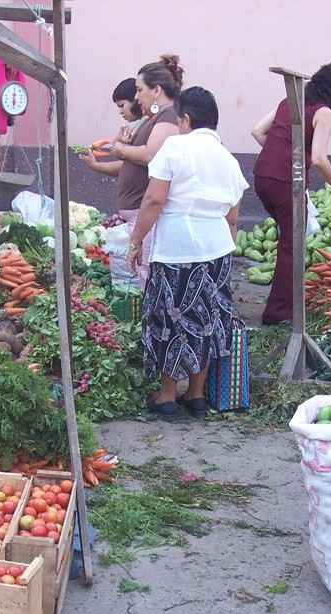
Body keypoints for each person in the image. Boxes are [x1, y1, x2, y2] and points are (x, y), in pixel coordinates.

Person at [128, 86, 248, 419]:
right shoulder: (228, 158)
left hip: (178, 248)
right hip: (218, 248)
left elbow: (154, 200)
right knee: (208, 319)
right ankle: (196, 395)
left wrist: (136, 241)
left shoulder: (176, 147)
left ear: (186, 119)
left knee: (170, 317)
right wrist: (223, 249)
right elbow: (234, 217)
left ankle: (167, 395)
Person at [252, 63, 331, 325]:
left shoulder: (290, 101)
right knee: (292, 246)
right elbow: (320, 158)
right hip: (286, 182)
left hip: (262, 177)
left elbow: (257, 131)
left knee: (287, 240)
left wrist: (278, 154)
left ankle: (281, 307)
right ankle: (278, 314)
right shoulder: (324, 112)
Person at [110, 55, 184, 286]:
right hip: (137, 210)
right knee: (145, 274)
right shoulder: (157, 117)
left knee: (150, 275)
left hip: (147, 209)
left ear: (156, 91)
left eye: (140, 89)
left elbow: (152, 155)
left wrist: (121, 149)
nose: (136, 96)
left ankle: (156, 320)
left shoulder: (169, 116)